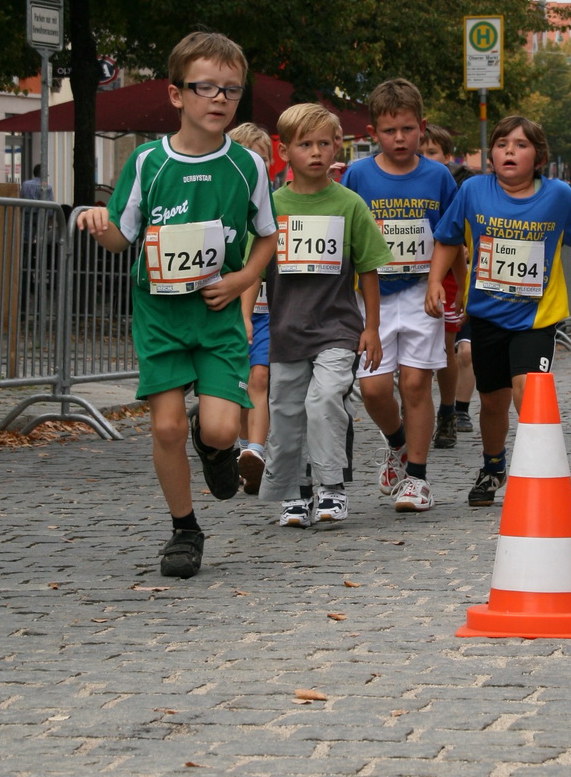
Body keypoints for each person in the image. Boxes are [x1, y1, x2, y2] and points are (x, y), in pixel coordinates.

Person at [78, 31, 277, 579]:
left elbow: (267, 237)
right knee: (165, 428)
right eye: (206, 87)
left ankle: (212, 449)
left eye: (231, 91)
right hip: (161, 314)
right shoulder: (147, 163)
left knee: (217, 429)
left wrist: (241, 279)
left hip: (217, 315)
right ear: (176, 95)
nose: (219, 99)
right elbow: (122, 236)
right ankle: (185, 529)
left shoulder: (247, 166)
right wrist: (99, 225)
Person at [425, 114, 571, 507]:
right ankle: (493, 466)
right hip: (486, 313)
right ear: (491, 155)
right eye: (502, 145)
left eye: (520, 145)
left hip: (536, 316)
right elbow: (448, 237)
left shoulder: (555, 195)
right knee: (493, 401)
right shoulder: (472, 191)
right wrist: (436, 281)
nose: (509, 152)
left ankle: (539, 468)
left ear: (538, 157)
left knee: (527, 392)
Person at [260, 104, 390, 527]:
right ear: (285, 151)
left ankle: (331, 488)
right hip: (286, 329)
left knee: (323, 401)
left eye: (323, 143)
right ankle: (295, 494)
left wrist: (371, 327)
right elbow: (252, 268)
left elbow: (368, 267)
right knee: (286, 408)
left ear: (337, 146)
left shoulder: (350, 204)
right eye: (304, 144)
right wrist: (243, 318)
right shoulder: (271, 206)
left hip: (337, 327)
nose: (315, 152)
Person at [342, 79, 458, 514]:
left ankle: (418, 479)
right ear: (374, 132)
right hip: (370, 295)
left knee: (414, 383)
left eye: (408, 130)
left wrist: (450, 285)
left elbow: (450, 235)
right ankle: (397, 444)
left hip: (419, 293)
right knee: (372, 389)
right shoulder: (358, 175)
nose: (400, 139)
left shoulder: (438, 175)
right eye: (390, 131)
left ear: (421, 128)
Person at [227, 121, 274, 493]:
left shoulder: (276, 206)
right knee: (239, 384)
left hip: (268, 313)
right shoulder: (226, 208)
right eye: (249, 160)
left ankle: (256, 451)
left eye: (264, 159)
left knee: (260, 379)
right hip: (230, 312)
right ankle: (244, 452)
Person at [419, 123, 467, 450]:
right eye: (422, 152)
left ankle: (448, 410)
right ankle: (417, 409)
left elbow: (456, 236)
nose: (425, 158)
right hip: (407, 275)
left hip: (445, 275)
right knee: (419, 353)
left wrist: (463, 284)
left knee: (446, 345)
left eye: (432, 152)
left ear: (448, 156)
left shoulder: (448, 185)